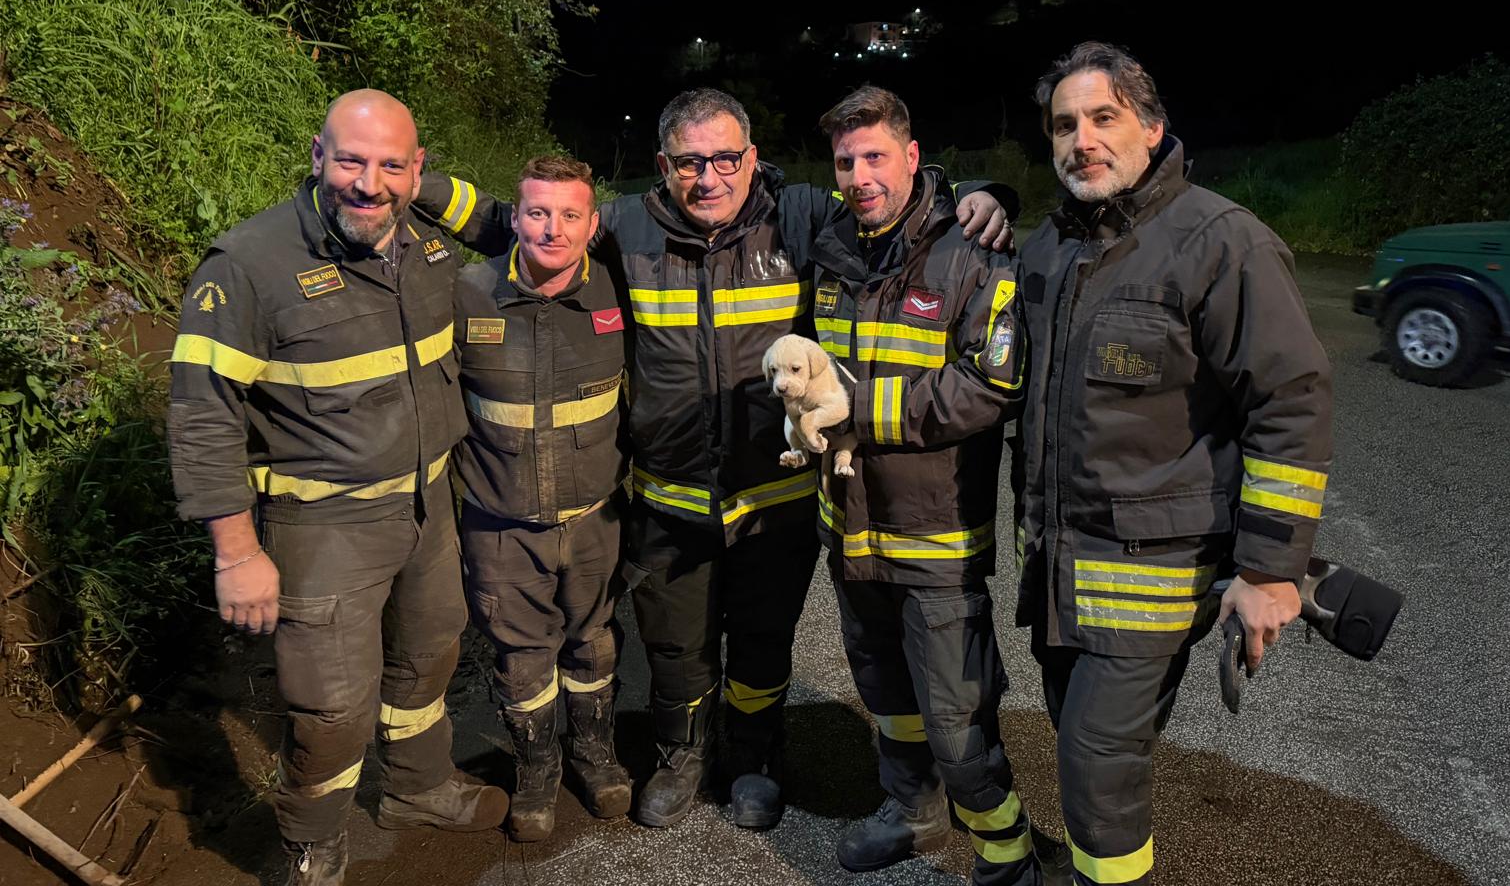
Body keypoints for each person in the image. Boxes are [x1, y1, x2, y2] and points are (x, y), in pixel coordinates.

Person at [414, 87, 1012, 831]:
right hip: (671, 499)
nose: (710, 177)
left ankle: (753, 761)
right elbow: (525, 223)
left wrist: (981, 194)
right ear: (664, 166)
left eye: (726, 158)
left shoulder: (798, 218)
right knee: (677, 652)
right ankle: (681, 756)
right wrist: (418, 185)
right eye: (690, 162)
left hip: (774, 501)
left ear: (752, 158)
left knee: (762, 647)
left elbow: (889, 207)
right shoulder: (627, 227)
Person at [1012, 42, 1333, 886]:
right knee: (1078, 740)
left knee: (1093, 766)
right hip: (1058, 574)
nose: (1082, 138)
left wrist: (1269, 570)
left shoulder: (1222, 243)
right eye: (1064, 124)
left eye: (1104, 117)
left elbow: (1290, 403)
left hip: (1152, 579)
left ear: (1152, 128)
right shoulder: (1045, 250)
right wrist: (972, 196)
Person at [167, 90, 507, 886]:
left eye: (392, 165)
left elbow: (512, 226)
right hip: (323, 527)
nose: (369, 183)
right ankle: (311, 842)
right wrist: (235, 551)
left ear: (418, 171)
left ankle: (418, 790)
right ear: (318, 156)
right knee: (331, 706)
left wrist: (420, 187)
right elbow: (202, 416)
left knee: (428, 656)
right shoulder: (249, 264)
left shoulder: (425, 239)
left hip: (428, 506)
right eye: (351, 160)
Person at [808, 86, 1047, 886]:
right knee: (884, 690)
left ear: (914, 157)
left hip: (936, 534)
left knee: (956, 714)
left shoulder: (975, 251)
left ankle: (1007, 851)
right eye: (846, 160)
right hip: (848, 526)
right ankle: (911, 812)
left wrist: (855, 410)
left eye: (876, 156)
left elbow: (992, 386)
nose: (859, 174)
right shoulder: (831, 243)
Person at [451, 155, 632, 840]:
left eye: (568, 215)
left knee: (593, 646)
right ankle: (536, 769)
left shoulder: (619, 295)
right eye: (536, 212)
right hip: (500, 527)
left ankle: (595, 752)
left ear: (592, 225)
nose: (551, 229)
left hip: (593, 521)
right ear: (515, 217)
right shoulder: (467, 292)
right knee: (520, 657)